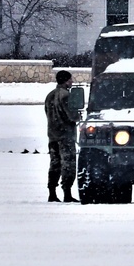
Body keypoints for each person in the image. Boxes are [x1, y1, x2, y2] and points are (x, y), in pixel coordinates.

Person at [45, 70, 79, 202]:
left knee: (54, 164)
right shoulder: (66, 96)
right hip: (65, 136)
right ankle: (67, 193)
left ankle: (52, 192)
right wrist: (77, 116)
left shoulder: (49, 96)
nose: (72, 81)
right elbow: (72, 116)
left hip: (52, 135)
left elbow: (47, 113)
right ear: (66, 80)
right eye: (70, 79)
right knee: (68, 164)